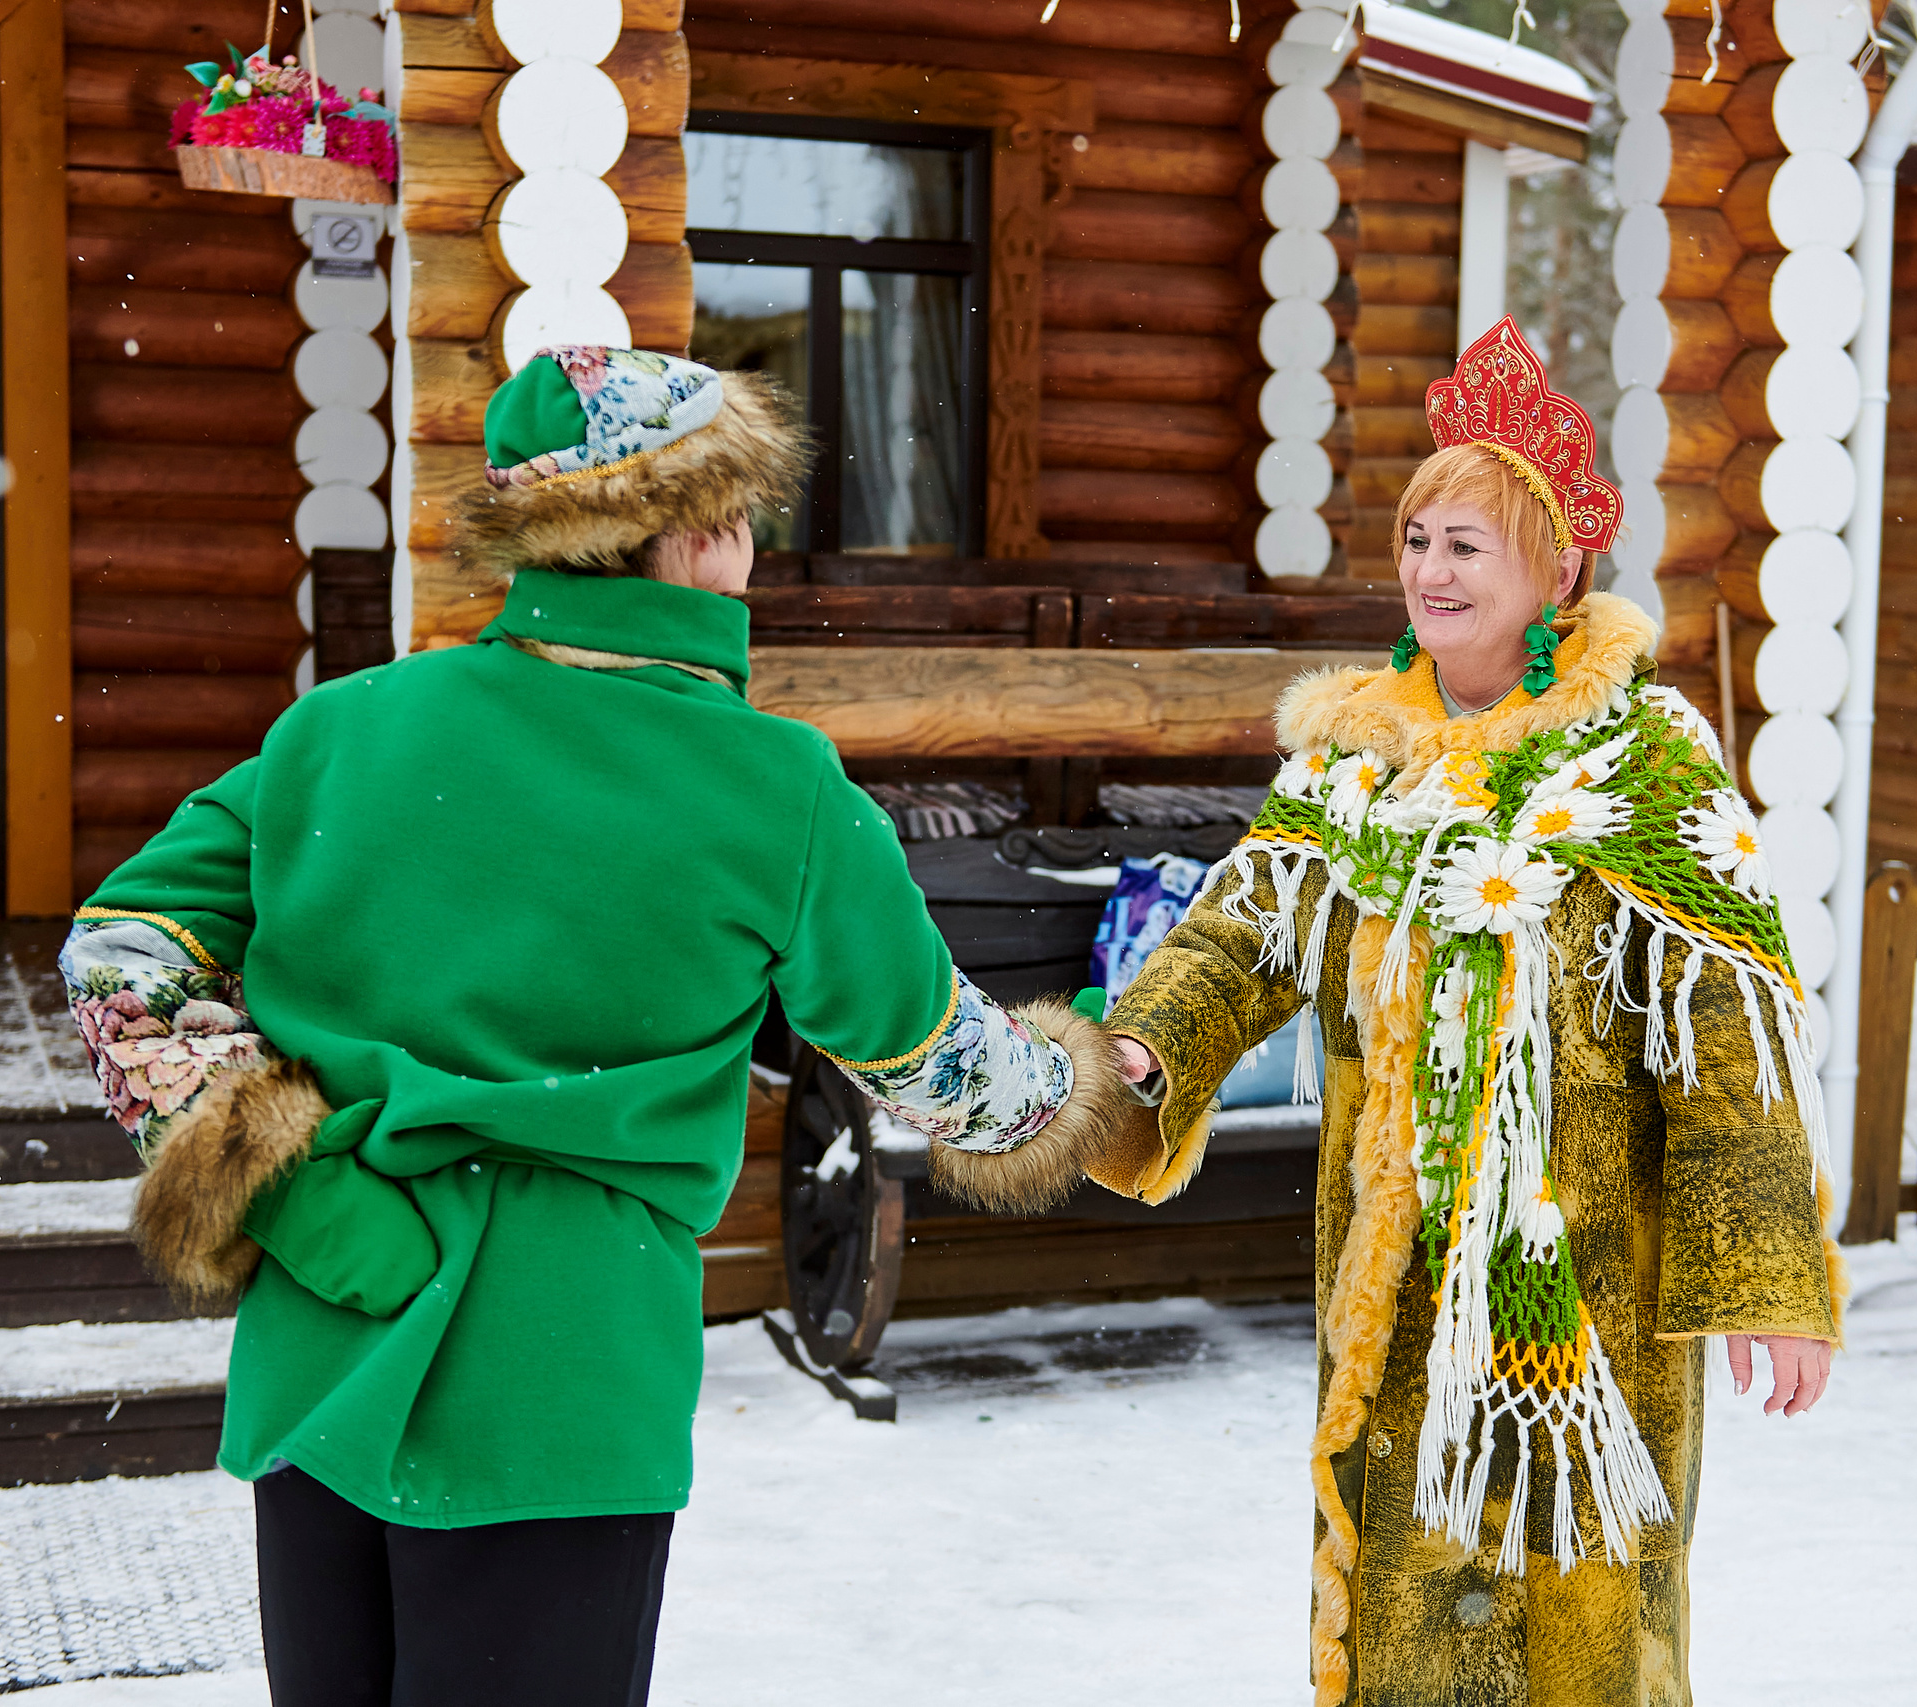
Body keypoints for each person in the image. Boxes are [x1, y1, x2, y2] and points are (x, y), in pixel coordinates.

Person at [58, 346, 1129, 1707]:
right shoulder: (776, 786)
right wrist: (1095, 1058)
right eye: (741, 515)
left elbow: (122, 949)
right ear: (694, 531)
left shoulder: (344, 727)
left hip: (323, 1333)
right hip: (561, 1372)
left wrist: (282, 1180)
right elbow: (960, 1083)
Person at [936, 319, 1845, 1706]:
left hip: (1588, 1296)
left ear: (1557, 571)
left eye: (1465, 546)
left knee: (1587, 1619)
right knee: (1407, 1617)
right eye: (1418, 541)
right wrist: (1142, 1047)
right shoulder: (1356, 762)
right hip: (1398, 1283)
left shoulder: (1648, 766)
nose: (1428, 571)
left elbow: (1731, 1044)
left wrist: (1769, 1281)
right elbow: (1240, 940)